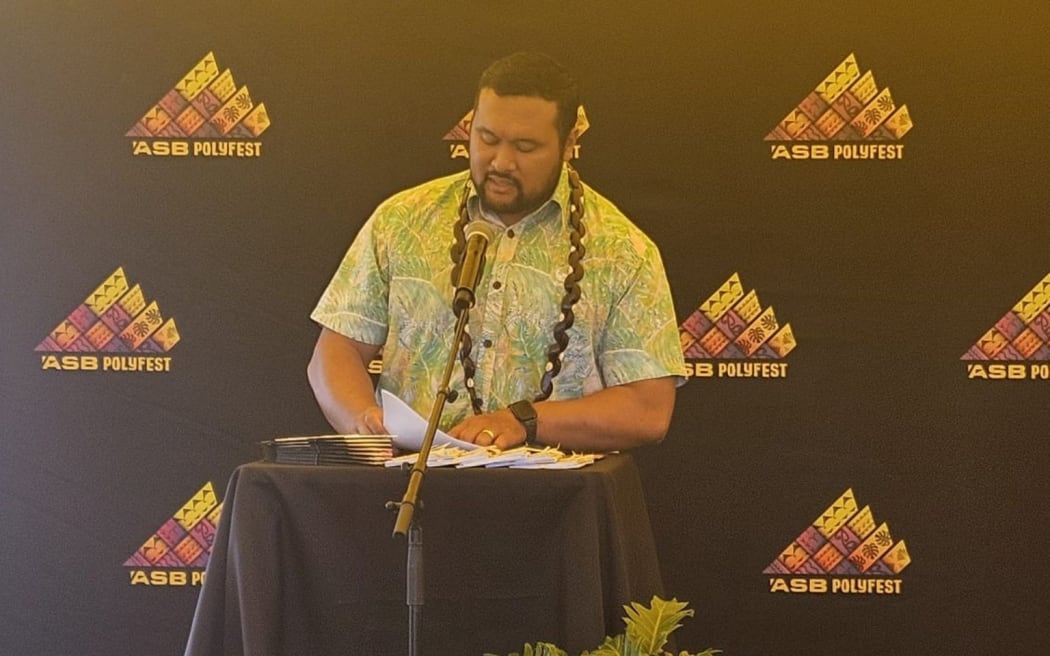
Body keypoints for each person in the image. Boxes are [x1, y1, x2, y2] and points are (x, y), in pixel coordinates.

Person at [308, 51, 685, 452]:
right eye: (487, 139)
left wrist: (525, 422)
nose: (501, 162)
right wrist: (360, 417)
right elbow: (336, 350)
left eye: (526, 147)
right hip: (404, 486)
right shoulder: (400, 221)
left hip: (550, 500)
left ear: (569, 142)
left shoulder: (624, 250)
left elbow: (648, 409)